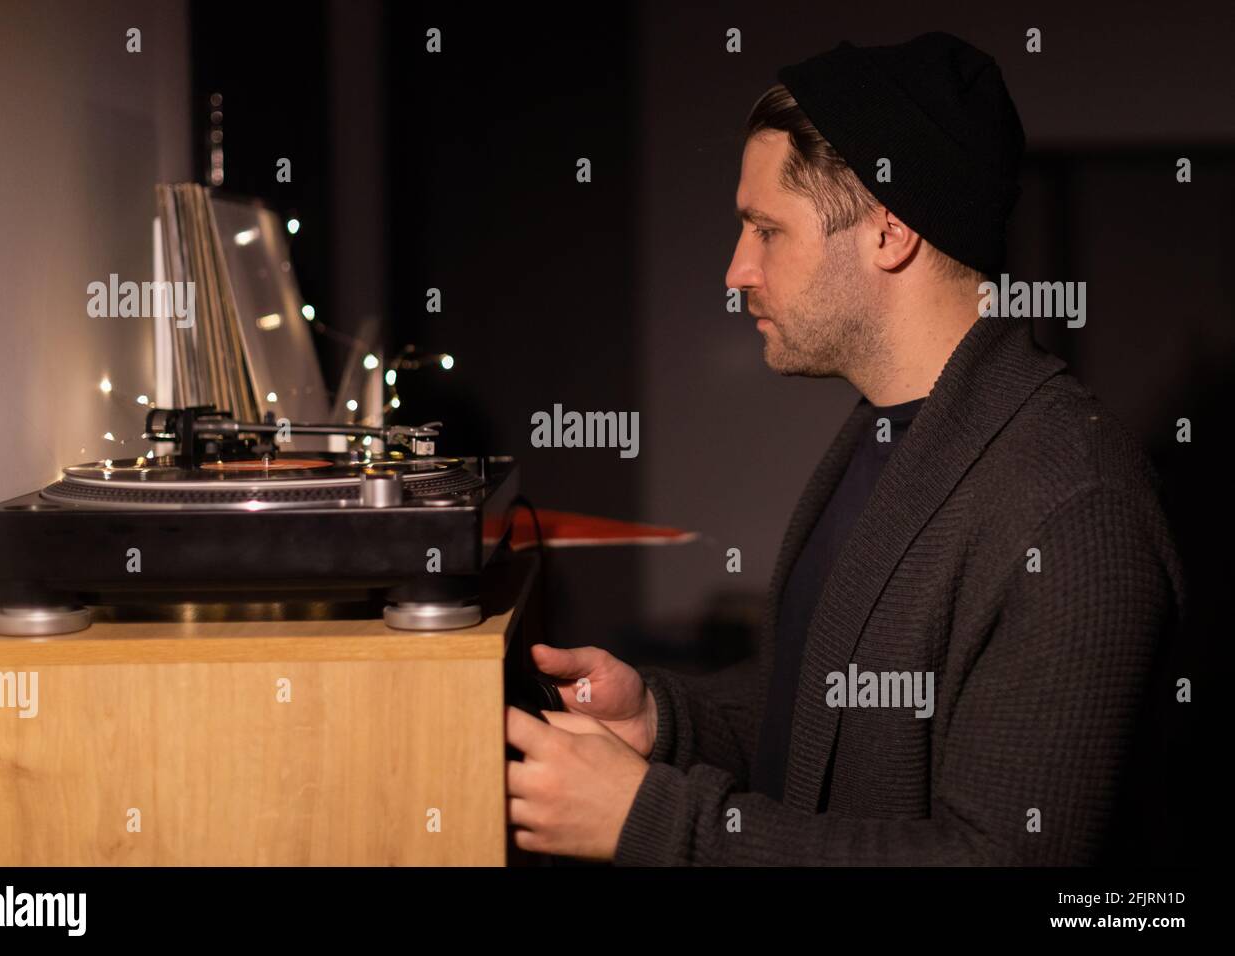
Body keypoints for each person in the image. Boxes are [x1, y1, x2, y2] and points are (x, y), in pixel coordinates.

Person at [505, 32, 1184, 865]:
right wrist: (663, 719)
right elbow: (830, 712)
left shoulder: (1073, 506)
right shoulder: (887, 436)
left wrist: (661, 824)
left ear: (889, 233)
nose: (735, 270)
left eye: (766, 229)